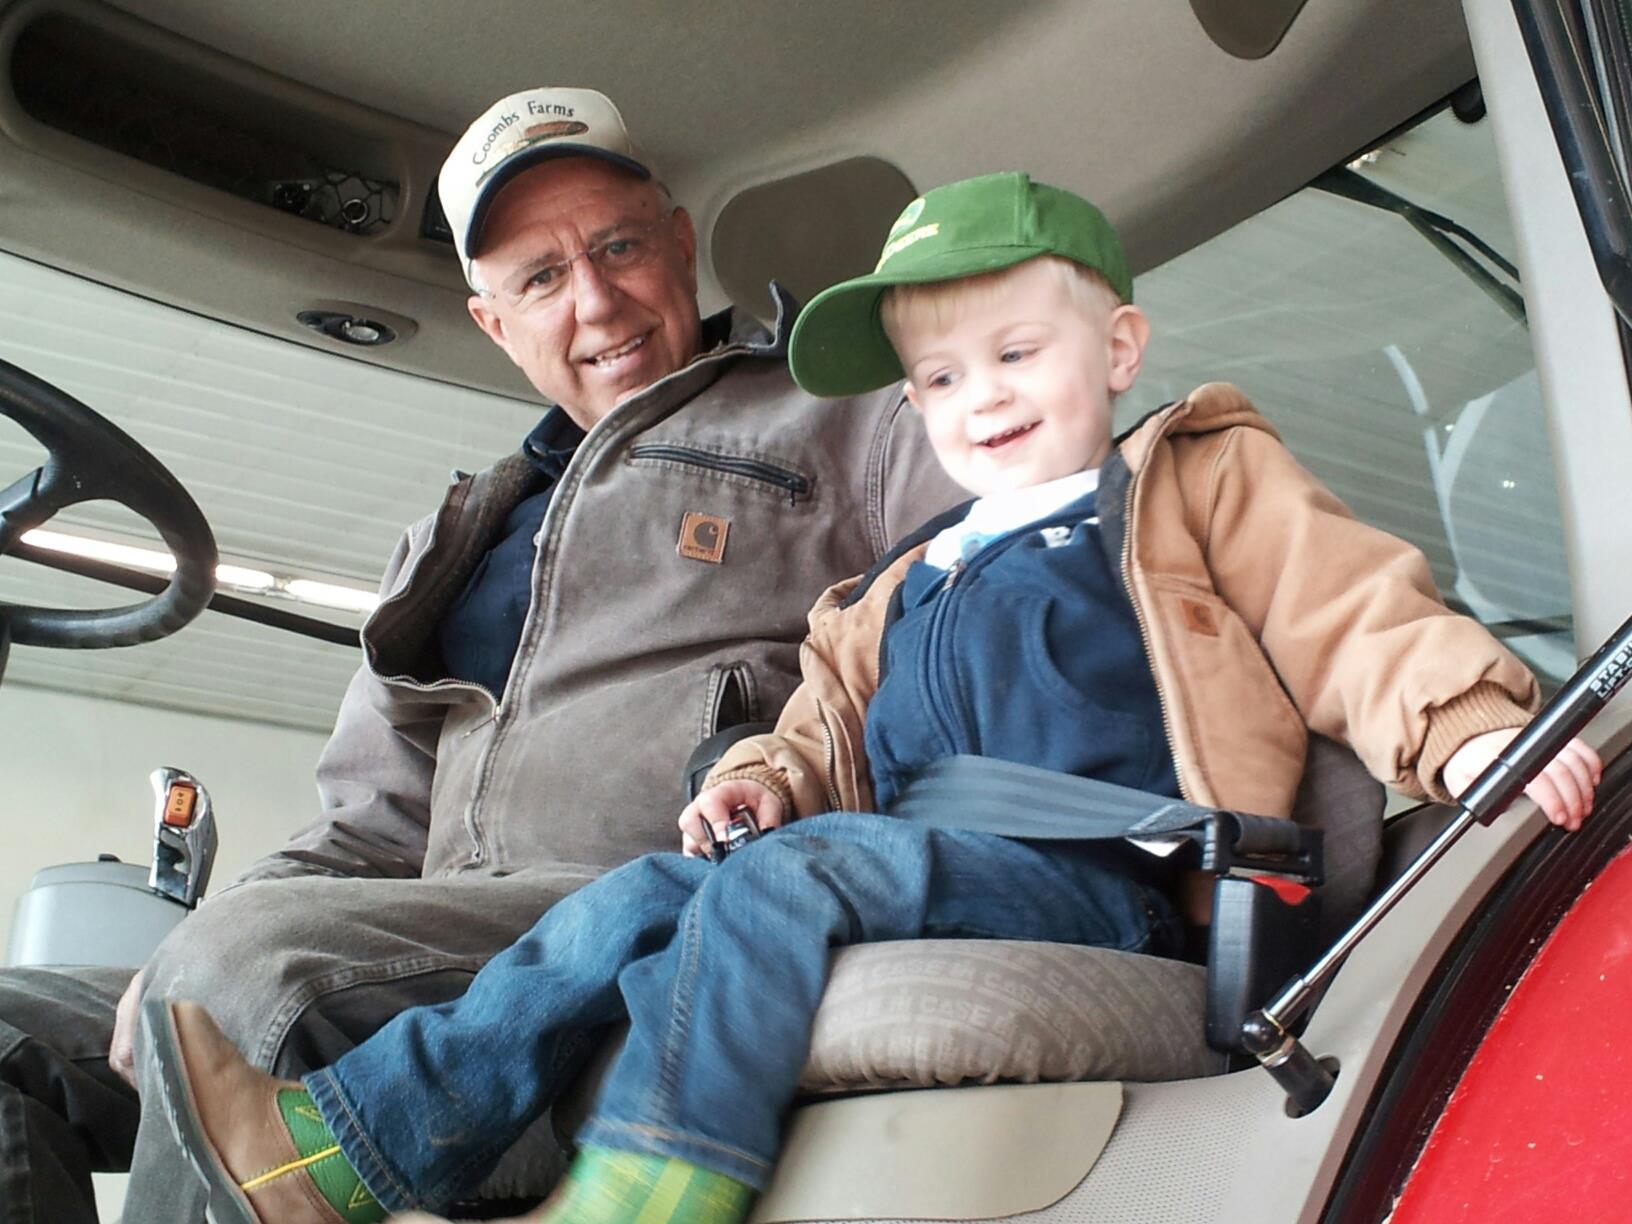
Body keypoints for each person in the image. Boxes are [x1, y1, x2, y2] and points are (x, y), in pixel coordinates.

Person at [141, 171, 1600, 1224]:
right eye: (939, 376)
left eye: (1018, 352)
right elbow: (819, 732)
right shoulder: (894, 588)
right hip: (921, 867)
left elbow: (1347, 608)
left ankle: (649, 1194)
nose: (981, 397)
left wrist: (1473, 727)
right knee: (651, 892)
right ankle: (344, 1158)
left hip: (1115, 873)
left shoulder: (1184, 483)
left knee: (794, 879)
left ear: (1118, 350)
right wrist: (759, 783)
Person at [0, 86, 962, 1224]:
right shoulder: (456, 536)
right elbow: (363, 832)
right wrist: (200, 933)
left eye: (619, 246)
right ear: (493, 323)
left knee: (243, 975)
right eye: (543, 279)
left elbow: (994, 592)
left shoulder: (848, 415)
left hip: (644, 904)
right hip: (422, 929)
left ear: (681, 242)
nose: (597, 300)